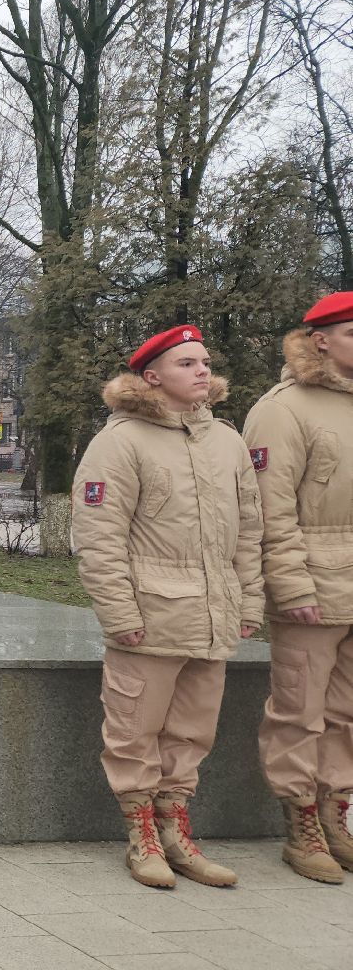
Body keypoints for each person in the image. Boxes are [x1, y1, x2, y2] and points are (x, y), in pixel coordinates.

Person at [71, 325, 263, 891]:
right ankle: (141, 837)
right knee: (134, 730)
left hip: (213, 615)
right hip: (151, 616)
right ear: (151, 377)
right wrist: (120, 614)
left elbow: (249, 530)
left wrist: (248, 599)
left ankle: (177, 833)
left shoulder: (225, 440)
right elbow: (100, 537)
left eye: (204, 360)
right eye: (186, 363)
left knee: (190, 733)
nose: (202, 370)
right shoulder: (121, 441)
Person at [244, 291, 353, 884]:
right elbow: (268, 509)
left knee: (348, 715)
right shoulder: (283, 409)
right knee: (300, 711)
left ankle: (337, 814)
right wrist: (290, 586)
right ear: (320, 340)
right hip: (312, 581)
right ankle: (301, 824)